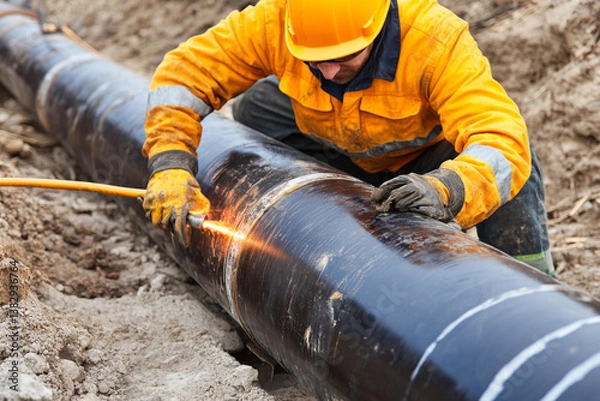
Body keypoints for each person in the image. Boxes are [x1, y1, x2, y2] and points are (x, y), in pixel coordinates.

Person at [142, 0, 554, 275]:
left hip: (424, 162)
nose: (327, 73)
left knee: (516, 166)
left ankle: (534, 287)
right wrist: (171, 161)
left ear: (373, 31)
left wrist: (447, 190)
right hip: (335, 145)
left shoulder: (434, 41)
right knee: (256, 109)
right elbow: (184, 76)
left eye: (342, 59)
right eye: (313, 62)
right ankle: (339, 207)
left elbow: (500, 138)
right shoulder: (278, 19)